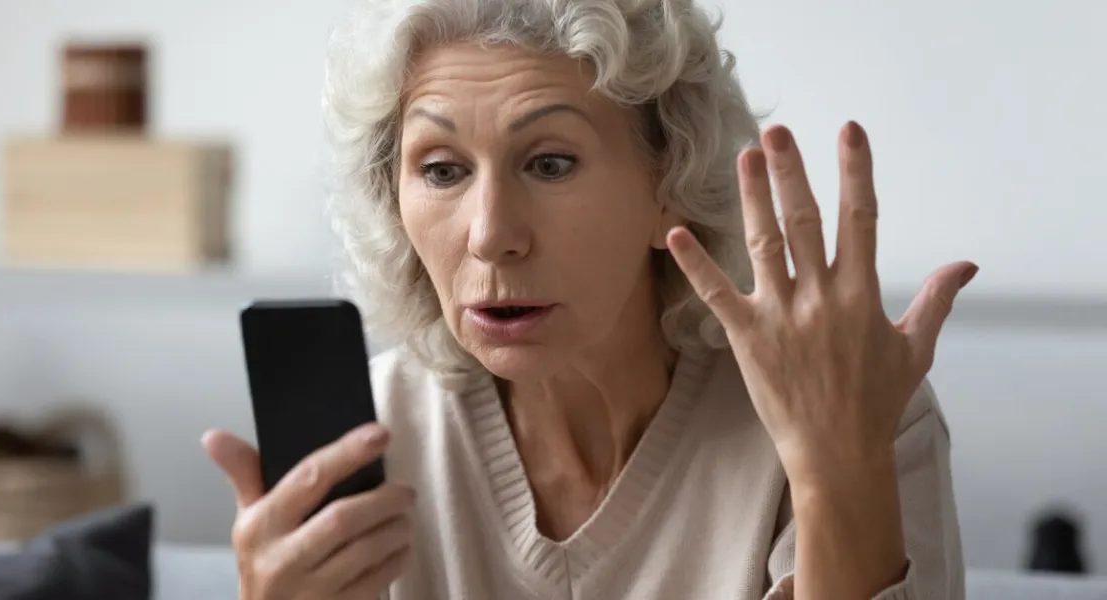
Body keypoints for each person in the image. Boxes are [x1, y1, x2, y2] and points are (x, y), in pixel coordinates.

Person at [202, 0, 971, 598]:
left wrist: (837, 468)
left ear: (669, 184)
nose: (491, 235)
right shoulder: (372, 435)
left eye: (550, 162)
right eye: (441, 170)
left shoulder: (856, 410)